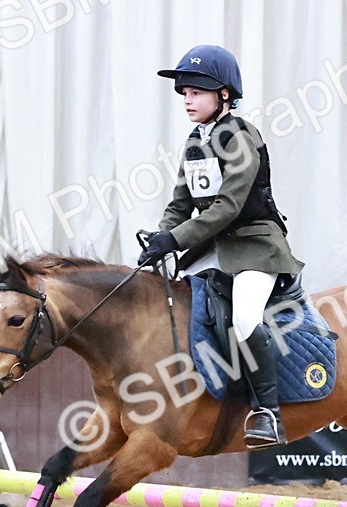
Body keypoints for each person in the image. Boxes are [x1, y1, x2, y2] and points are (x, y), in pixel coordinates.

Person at [138, 44, 302, 449]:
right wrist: (160, 239)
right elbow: (180, 203)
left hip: (255, 247)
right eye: (184, 93)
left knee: (245, 318)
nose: (187, 100)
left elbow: (228, 206)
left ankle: (268, 412)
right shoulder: (196, 141)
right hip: (212, 249)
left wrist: (175, 239)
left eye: (196, 92)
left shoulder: (241, 136)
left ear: (224, 94)